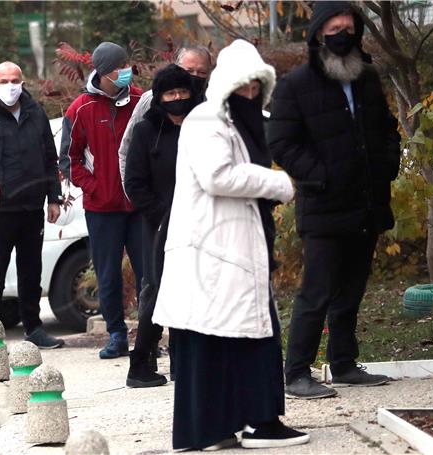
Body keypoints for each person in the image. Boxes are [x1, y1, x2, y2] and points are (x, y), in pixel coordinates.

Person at [152, 39, 309, 450]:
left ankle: (246, 422)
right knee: (216, 345)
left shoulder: (239, 124)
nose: (251, 95)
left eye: (257, 87)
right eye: (243, 87)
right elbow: (218, 175)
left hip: (234, 253)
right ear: (226, 86)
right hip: (212, 255)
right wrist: (276, 183)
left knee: (247, 338)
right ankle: (225, 427)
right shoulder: (207, 120)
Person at [268, 1, 399, 399]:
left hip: (367, 203)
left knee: (353, 288)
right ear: (318, 35)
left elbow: (386, 129)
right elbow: (282, 143)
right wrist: (321, 176)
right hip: (324, 207)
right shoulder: (296, 85)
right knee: (317, 291)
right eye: (333, 29)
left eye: (349, 28)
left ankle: (343, 363)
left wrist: (387, 165)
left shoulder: (367, 79)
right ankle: (297, 373)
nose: (342, 35)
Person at [62, 41, 144, 359]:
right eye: (117, 69)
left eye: (126, 65)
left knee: (148, 272)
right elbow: (69, 159)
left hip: (138, 206)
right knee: (108, 274)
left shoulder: (140, 101)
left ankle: (149, 335)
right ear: (103, 73)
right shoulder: (80, 108)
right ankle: (117, 335)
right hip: (102, 208)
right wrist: (93, 187)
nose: (125, 72)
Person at [0, 61, 65, 350]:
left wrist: (54, 197)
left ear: (23, 82)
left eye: (16, 80)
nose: (11, 86)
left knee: (31, 272)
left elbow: (50, 159)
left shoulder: (35, 112)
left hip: (31, 208)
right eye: (4, 81)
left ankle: (34, 327)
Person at [123, 64, 200, 387]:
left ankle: (184, 365)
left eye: (182, 92)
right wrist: (160, 216)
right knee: (158, 293)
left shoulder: (201, 126)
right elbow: (135, 183)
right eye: (171, 93)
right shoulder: (145, 131)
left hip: (199, 223)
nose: (178, 98)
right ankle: (140, 364)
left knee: (193, 293)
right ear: (160, 97)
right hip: (159, 226)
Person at [118, 45, 213, 182]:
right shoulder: (150, 100)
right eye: (189, 71)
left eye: (202, 72)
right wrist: (133, 193)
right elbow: (127, 150)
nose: (194, 76)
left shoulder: (212, 104)